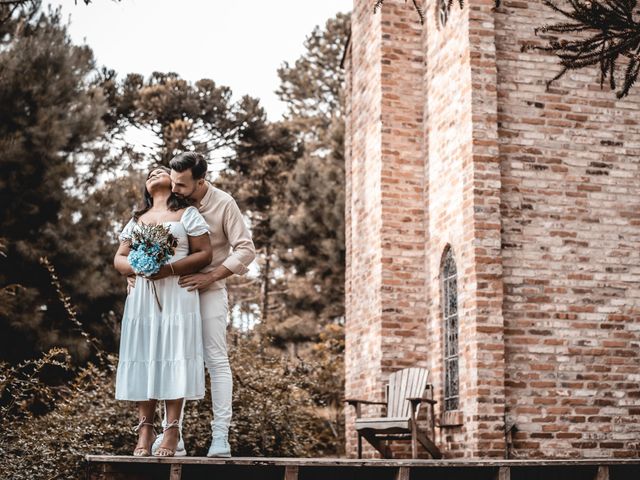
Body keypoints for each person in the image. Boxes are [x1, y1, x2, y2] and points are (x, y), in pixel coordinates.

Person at [147, 152, 256, 458]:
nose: (175, 189)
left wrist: (212, 276)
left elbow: (246, 249)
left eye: (182, 184)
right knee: (173, 358)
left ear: (201, 181)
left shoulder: (224, 203)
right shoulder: (170, 200)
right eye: (173, 181)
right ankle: (173, 436)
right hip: (173, 291)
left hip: (209, 289)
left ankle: (220, 437)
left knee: (216, 360)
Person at [114, 166, 212, 457]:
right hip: (142, 298)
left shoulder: (188, 215)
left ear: (175, 184)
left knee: (174, 354)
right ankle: (145, 428)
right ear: (146, 187)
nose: (155, 172)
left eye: (161, 170)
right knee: (144, 355)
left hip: (177, 295)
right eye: (150, 173)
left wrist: (167, 268)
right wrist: (138, 267)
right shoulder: (137, 220)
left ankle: (172, 430)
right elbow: (119, 258)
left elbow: (204, 254)